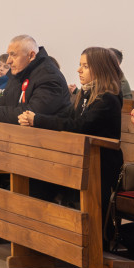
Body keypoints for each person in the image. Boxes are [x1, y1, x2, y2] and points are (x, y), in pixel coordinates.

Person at [17, 47, 124, 214]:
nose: (79, 70)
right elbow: (64, 116)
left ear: (101, 69)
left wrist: (37, 119)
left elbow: (78, 126)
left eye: (85, 66)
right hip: (81, 159)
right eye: (79, 65)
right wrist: (34, 117)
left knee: (42, 180)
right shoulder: (85, 94)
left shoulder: (107, 98)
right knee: (35, 176)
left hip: (100, 164)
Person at [0, 35, 71, 124]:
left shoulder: (49, 77)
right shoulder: (20, 71)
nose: (8, 61)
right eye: (8, 54)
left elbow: (30, 114)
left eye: (13, 55)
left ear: (31, 55)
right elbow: (7, 101)